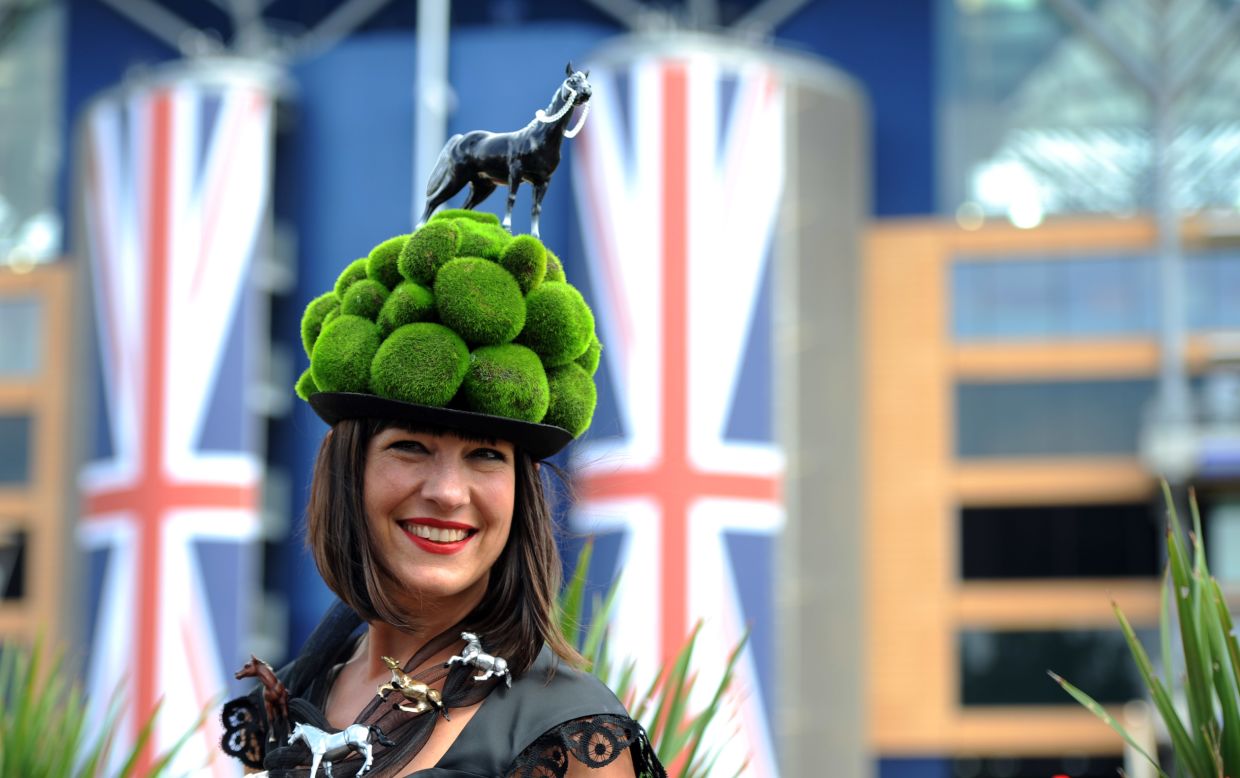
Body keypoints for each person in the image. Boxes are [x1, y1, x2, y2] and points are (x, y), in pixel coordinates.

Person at [220, 212, 665, 777]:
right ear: (346, 471)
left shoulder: (570, 735)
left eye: (485, 455)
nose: (449, 493)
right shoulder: (301, 688)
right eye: (410, 447)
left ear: (520, 497)